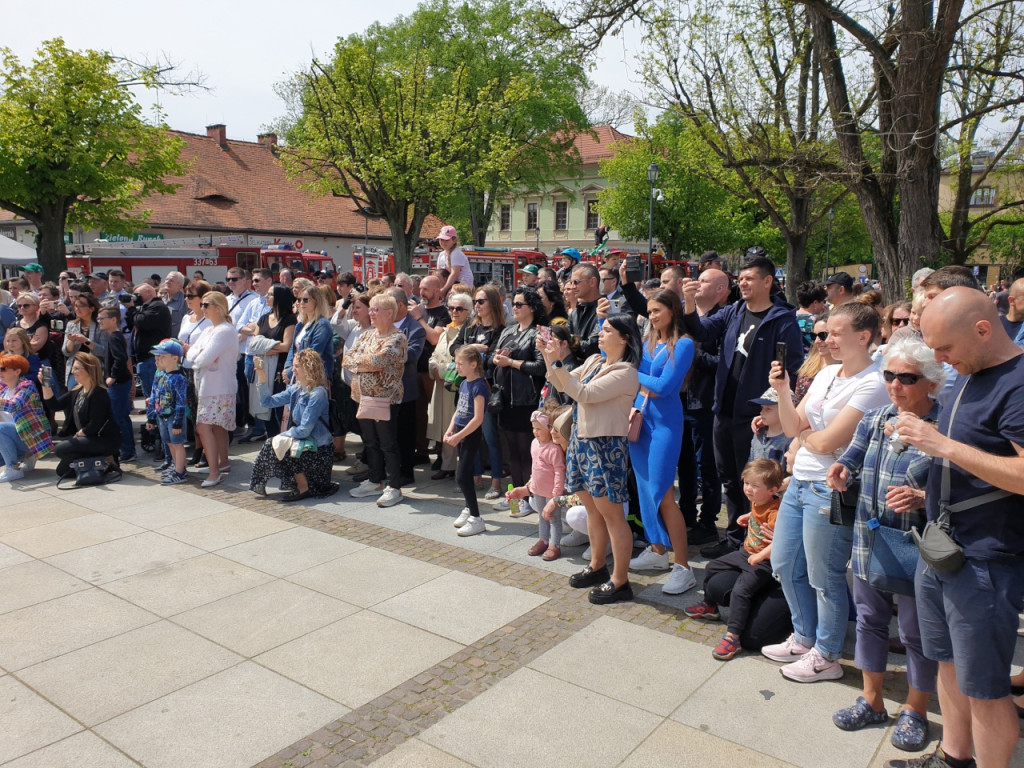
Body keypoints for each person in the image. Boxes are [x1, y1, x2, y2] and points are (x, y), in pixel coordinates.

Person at [885, 288, 1024, 768]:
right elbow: (978, 459)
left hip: (986, 558)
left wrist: (939, 444)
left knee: (985, 687)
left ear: (983, 330)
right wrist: (930, 493)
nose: (939, 361)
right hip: (944, 546)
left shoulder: (1018, 382)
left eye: (944, 350)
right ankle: (953, 757)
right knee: (946, 661)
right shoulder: (970, 372)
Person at [826, 337, 943, 753]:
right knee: (870, 620)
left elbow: (961, 487)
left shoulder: (945, 427)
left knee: (916, 633)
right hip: (869, 537)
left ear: (931, 381)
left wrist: (923, 498)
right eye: (889, 375)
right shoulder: (876, 418)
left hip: (917, 544)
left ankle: (916, 709)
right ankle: (872, 699)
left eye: (906, 378)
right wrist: (841, 470)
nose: (895, 385)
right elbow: (852, 458)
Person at [763, 302, 890, 682]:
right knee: (785, 563)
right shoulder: (827, 374)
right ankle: (804, 637)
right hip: (800, 482)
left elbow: (827, 441)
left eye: (835, 333)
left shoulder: (874, 382)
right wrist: (783, 392)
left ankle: (828, 654)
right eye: (825, 333)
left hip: (830, 490)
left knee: (825, 574)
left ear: (863, 337)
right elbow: (792, 428)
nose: (826, 341)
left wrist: (807, 437)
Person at [682, 254, 804, 558]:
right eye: (741, 278)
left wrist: (773, 410)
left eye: (749, 278)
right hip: (723, 410)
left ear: (768, 281)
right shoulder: (734, 310)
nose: (743, 283)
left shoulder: (782, 319)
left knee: (753, 480)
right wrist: (687, 302)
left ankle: (755, 542)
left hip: (756, 416)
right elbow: (701, 331)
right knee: (730, 479)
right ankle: (736, 537)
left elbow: (793, 368)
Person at [538, 314, 641, 604]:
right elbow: (560, 381)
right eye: (601, 329)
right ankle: (597, 566)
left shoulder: (626, 372)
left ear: (625, 338)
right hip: (582, 442)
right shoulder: (596, 361)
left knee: (613, 515)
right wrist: (550, 357)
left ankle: (620, 580)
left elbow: (583, 393)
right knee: (593, 510)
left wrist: (557, 362)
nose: (601, 333)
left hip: (605, 447)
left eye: (608, 330)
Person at [627, 289, 698, 595]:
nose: (653, 316)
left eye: (658, 310)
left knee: (663, 493)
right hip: (640, 422)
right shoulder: (646, 342)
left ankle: (683, 567)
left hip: (665, 425)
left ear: (672, 311)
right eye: (650, 311)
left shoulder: (683, 344)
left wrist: (635, 374)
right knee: (644, 489)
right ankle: (657, 551)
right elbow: (620, 363)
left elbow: (666, 386)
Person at [685, 458, 784, 660]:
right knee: (712, 566)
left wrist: (761, 555)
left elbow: (781, 541)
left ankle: (733, 636)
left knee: (741, 591)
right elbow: (759, 513)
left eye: (755, 486)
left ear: (773, 489)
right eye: (747, 483)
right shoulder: (759, 500)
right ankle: (710, 605)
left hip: (764, 562)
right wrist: (750, 516)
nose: (748, 489)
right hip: (746, 553)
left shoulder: (777, 511)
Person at [344, 293, 407, 507]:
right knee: (369, 442)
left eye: (374, 309)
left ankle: (394, 486)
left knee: (388, 444)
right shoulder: (366, 335)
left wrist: (361, 362)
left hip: (385, 400)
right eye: (370, 309)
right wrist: (365, 362)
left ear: (389, 313)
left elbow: (380, 360)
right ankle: (375, 479)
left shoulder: (397, 338)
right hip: (362, 398)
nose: (370, 313)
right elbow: (347, 358)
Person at [250, 348, 338, 501]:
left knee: (277, 442)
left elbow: (304, 430)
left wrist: (283, 436)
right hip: (304, 444)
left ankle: (304, 488)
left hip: (319, 449)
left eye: (296, 366)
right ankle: (269, 483)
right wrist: (262, 375)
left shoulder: (318, 393)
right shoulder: (296, 389)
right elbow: (267, 402)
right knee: (273, 444)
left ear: (308, 368)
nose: (293, 370)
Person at [490, 287, 548, 510]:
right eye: (513, 304)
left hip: (527, 400)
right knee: (512, 451)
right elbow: (494, 358)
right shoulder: (508, 331)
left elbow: (541, 367)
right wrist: (496, 359)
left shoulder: (540, 332)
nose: (514, 308)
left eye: (519, 304)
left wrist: (511, 363)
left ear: (531, 307)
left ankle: (529, 498)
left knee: (527, 453)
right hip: (506, 400)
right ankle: (515, 497)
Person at [450, 285, 507, 502]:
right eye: (475, 302)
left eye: (481, 301)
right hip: (467, 386)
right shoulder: (469, 327)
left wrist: (475, 353)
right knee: (467, 435)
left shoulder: (501, 329)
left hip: (487, 388)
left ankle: (495, 482)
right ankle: (473, 477)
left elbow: (493, 358)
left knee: (490, 436)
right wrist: (473, 348)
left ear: (493, 303)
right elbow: (454, 349)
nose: (477, 306)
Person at [185, 292, 239, 488]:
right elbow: (192, 354)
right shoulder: (210, 330)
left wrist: (200, 357)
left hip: (219, 387)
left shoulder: (224, 330)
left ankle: (214, 472)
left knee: (204, 427)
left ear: (218, 307)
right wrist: (200, 356)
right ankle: (222, 463)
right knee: (216, 427)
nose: (203, 308)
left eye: (206, 304)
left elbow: (201, 359)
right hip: (209, 387)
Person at [42, 352, 121, 477]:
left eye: (77, 368)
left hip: (104, 440)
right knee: (63, 471)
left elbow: (95, 423)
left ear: (89, 370)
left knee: (60, 449)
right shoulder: (77, 390)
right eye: (73, 368)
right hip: (88, 439)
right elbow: (54, 405)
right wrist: (45, 384)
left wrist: (78, 435)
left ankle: (107, 457)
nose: (73, 372)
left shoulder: (99, 393)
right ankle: (102, 461)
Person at [507, 408, 567, 559]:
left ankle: (555, 545)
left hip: (551, 492)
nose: (535, 432)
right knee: (541, 516)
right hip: (538, 489)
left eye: (539, 429)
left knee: (553, 518)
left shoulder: (554, 449)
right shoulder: (534, 443)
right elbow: (535, 467)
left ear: (549, 428)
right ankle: (543, 540)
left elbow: (560, 471)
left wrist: (557, 493)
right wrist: (530, 485)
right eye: (534, 428)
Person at [427, 291, 472, 480]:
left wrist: (442, 371)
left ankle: (466, 469)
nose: (454, 312)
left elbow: (464, 360)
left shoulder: (470, 331)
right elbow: (434, 356)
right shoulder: (447, 331)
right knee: (446, 425)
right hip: (441, 386)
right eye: (451, 308)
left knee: (461, 426)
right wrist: (433, 369)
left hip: (459, 386)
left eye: (459, 308)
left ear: (469, 312)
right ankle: (448, 465)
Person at [407, 274, 450, 465]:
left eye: (426, 289)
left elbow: (434, 338)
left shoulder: (443, 314)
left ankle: (442, 453)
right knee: (418, 414)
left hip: (433, 372)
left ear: (437, 291)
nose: (421, 292)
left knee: (437, 414)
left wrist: (418, 319)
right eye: (420, 288)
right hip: (416, 369)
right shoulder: (417, 309)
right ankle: (421, 450)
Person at [448, 346, 490, 536]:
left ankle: (476, 517)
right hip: (460, 432)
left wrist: (459, 435)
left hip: (470, 434)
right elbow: (459, 409)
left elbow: (478, 418)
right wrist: (451, 429)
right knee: (464, 474)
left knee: (462, 476)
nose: (457, 367)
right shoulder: (465, 382)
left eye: (460, 364)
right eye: (456, 363)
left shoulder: (479, 385)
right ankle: (468, 507)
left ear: (473, 364)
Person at [386, 287, 425, 485]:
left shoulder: (414, 328)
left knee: (405, 434)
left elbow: (412, 355)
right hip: (384, 391)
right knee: (388, 434)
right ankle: (391, 470)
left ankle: (406, 472)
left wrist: (386, 354)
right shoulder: (384, 325)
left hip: (405, 391)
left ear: (400, 305)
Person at [251, 285, 297, 438]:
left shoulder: (290, 319)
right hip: (262, 366)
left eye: (270, 294)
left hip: (279, 368)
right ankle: (271, 440)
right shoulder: (264, 318)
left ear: (280, 298)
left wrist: (265, 348)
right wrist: (267, 348)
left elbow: (286, 346)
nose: (267, 296)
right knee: (263, 406)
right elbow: (253, 343)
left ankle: (281, 439)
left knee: (278, 407)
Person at [235, 268, 274, 442]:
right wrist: (255, 328)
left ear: (269, 281)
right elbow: (239, 326)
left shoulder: (273, 303)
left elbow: (267, 330)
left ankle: (263, 427)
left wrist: (254, 327)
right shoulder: (253, 303)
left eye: (258, 280)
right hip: (251, 354)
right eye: (254, 281)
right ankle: (256, 427)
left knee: (263, 389)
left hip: (266, 354)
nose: (254, 284)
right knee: (252, 392)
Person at [0, 353, 52, 481]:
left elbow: (15, 405)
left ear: (17, 371)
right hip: (13, 438)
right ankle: (26, 456)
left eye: (3, 369)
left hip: (31, 438)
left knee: (0, 428)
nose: (0, 372)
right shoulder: (3, 391)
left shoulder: (27, 385)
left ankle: (13, 469)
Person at [178, 280, 212, 466]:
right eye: (186, 295)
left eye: (191, 296)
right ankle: (198, 447)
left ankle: (208, 449)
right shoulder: (186, 317)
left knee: (204, 413)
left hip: (201, 369)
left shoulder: (209, 320)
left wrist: (190, 348)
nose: (187, 299)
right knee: (192, 412)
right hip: (185, 369)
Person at [337, 293, 372, 475]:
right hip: (350, 386)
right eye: (354, 307)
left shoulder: (373, 331)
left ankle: (368, 461)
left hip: (365, 388)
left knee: (367, 428)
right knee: (354, 423)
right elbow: (335, 323)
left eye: (358, 307)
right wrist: (344, 306)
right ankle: (366, 457)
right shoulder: (352, 326)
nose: (355, 311)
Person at [147, 339, 189, 485]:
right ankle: (176, 467)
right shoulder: (159, 375)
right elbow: (154, 396)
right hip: (161, 416)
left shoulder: (179, 378)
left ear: (175, 358)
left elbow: (180, 402)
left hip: (173, 417)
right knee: (170, 443)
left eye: (163, 357)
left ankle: (180, 472)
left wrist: (178, 422)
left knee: (177, 444)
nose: (159, 360)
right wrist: (151, 417)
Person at [97, 307, 135, 463]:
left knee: (119, 417)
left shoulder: (114, 337)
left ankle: (127, 450)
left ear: (113, 319)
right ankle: (126, 448)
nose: (99, 321)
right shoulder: (113, 336)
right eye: (98, 319)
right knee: (121, 416)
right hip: (120, 381)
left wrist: (112, 376)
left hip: (119, 382)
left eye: (102, 318)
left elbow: (120, 358)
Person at [284, 285, 334, 384]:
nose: (301, 303)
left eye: (305, 300)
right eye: (299, 300)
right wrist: (288, 367)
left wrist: (290, 372)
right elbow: (293, 348)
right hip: (298, 374)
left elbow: (313, 353)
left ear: (316, 301)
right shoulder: (300, 325)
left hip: (314, 378)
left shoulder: (322, 325)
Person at [130, 283, 171, 402]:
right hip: (143, 358)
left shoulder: (157, 306)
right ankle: (151, 418)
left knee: (155, 395)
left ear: (149, 292)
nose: (135, 297)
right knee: (148, 394)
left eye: (137, 294)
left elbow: (142, 322)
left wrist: (132, 308)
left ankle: (155, 419)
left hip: (152, 358)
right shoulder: (144, 307)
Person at [748, 387, 791, 464]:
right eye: (762, 408)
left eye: (768, 409)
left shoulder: (790, 441)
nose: (761, 412)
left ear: (785, 410)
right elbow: (750, 463)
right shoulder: (758, 435)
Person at [567, 263, 601, 358]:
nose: (573, 287)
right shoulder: (575, 312)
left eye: (576, 282)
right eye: (571, 282)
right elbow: (565, 337)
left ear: (592, 282)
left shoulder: (605, 309)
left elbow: (591, 347)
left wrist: (567, 344)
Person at [436, 225, 474, 295]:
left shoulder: (456, 253)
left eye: (447, 240)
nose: (443, 242)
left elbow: (454, 274)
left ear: (454, 240)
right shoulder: (441, 255)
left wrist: (443, 290)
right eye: (441, 239)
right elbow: (439, 274)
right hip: (452, 283)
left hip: (462, 285)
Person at [796, 281, 827, 351]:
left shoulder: (790, 317)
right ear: (815, 303)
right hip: (811, 359)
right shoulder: (817, 322)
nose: (823, 305)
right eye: (823, 301)